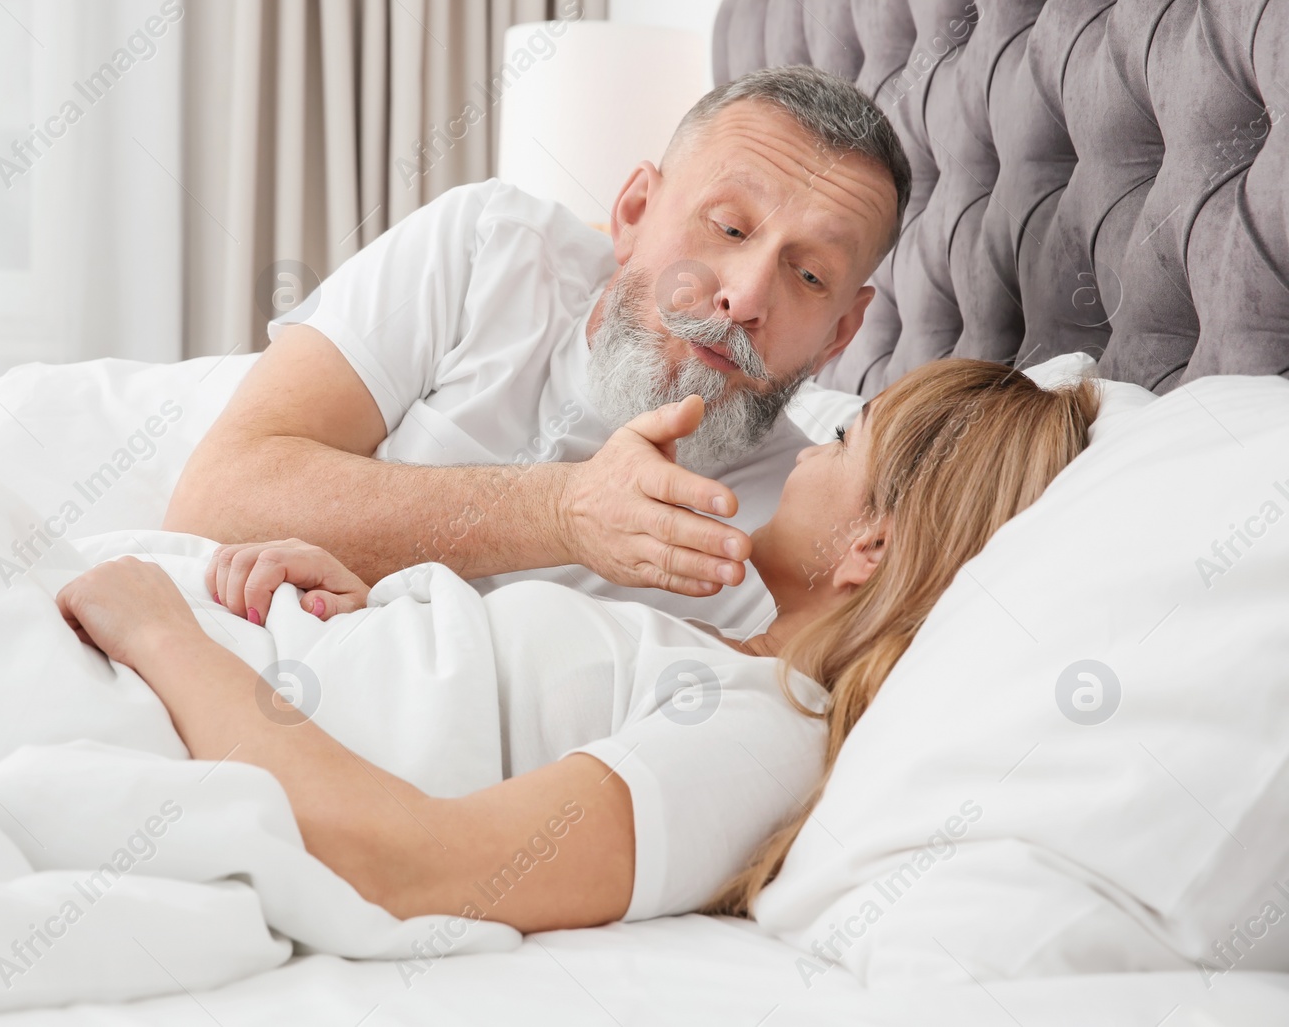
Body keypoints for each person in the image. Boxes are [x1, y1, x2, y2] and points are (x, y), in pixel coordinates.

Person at [57, 360, 1100, 932]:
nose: (807, 451)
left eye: (840, 438)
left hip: (151, 691)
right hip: (178, 651)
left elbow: (412, 866)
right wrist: (369, 603)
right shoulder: (720, 655)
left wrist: (161, 633)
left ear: (866, 545)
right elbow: (488, 701)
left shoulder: (765, 733)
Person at [162, 65, 912, 630]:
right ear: (634, 212)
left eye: (810, 275)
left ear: (840, 335)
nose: (745, 298)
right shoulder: (486, 246)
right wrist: (562, 512)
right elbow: (215, 497)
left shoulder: (808, 531)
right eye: (729, 227)